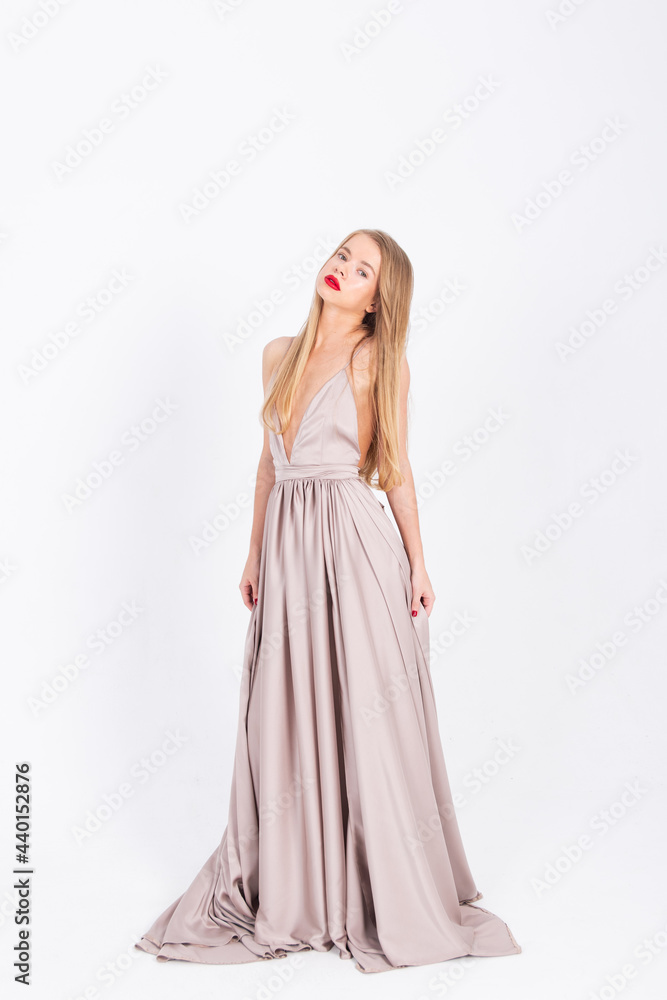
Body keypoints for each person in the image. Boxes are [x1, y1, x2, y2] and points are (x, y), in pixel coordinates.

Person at [135, 228, 522, 974]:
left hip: (353, 545)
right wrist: (252, 552)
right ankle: (298, 878)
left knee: (369, 709)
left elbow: (396, 468)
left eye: (362, 268)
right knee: (286, 707)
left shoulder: (381, 362)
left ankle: (382, 883)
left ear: (381, 299)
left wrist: (417, 562)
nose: (342, 270)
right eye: (341, 255)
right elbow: (265, 466)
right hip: (286, 550)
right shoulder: (276, 354)